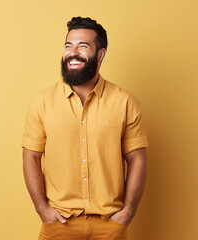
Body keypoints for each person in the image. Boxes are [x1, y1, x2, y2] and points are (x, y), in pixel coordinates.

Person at [22, 16, 148, 240]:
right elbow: (31, 156)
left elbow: (137, 158)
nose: (73, 52)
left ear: (100, 54)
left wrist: (128, 210)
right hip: (59, 224)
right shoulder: (42, 102)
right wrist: (42, 208)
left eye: (83, 46)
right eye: (68, 45)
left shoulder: (125, 103)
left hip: (110, 224)